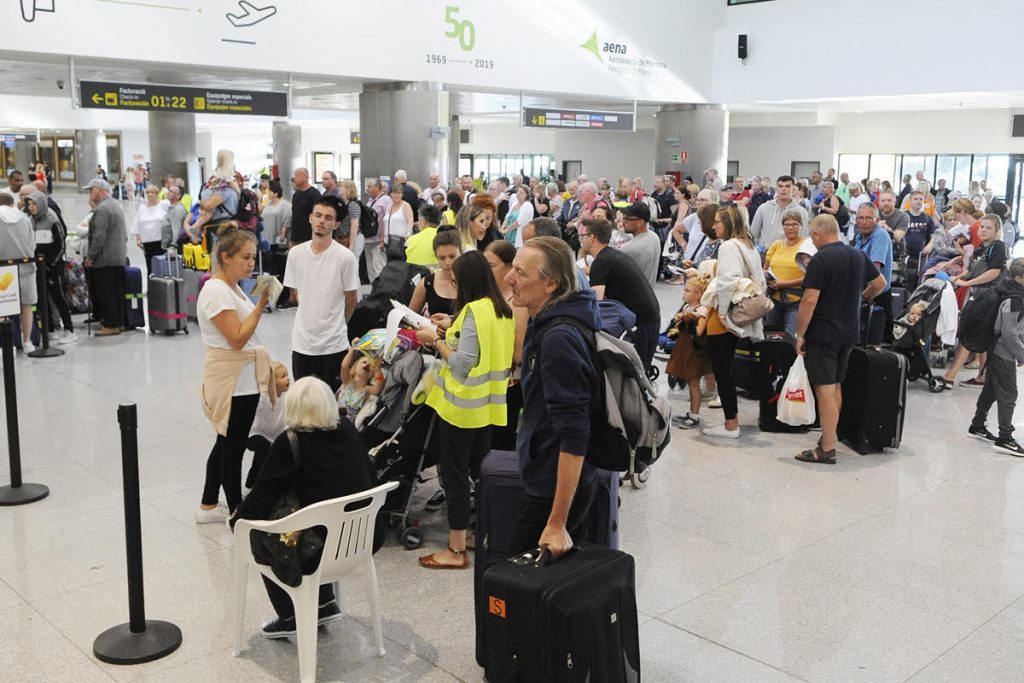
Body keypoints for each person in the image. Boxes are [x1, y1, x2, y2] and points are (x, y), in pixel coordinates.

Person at [232, 376, 375, 638]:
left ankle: (290, 615)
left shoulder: (291, 442)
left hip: (318, 551)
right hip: (361, 541)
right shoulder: (347, 429)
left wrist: (237, 519)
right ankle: (324, 602)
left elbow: (262, 495)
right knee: (320, 515)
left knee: (257, 535)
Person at [416, 251, 515, 569]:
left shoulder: (473, 311)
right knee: (478, 474)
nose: (454, 286)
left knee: (455, 476)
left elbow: (461, 364)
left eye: (457, 281)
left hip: (461, 408)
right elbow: (479, 347)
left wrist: (435, 341)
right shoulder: (500, 308)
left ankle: (455, 549)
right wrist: (451, 328)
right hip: (487, 407)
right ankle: (478, 533)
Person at [503, 236, 600, 558]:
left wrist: (557, 522)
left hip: (553, 486)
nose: (508, 278)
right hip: (547, 474)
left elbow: (575, 435)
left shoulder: (559, 338)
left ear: (551, 284)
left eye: (521, 272)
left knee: (520, 584)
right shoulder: (546, 321)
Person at [793, 215, 886, 464]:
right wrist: (861, 298)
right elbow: (880, 283)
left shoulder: (820, 260)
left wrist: (800, 334)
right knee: (835, 386)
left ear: (817, 235)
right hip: (849, 331)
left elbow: (809, 301)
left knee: (823, 389)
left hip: (823, 332)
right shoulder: (857, 255)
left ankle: (827, 447)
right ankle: (829, 437)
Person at [197, 226, 274, 521]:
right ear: (226, 257)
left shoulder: (232, 286)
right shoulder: (216, 290)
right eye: (245, 257)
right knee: (233, 445)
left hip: (243, 375)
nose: (251, 263)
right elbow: (237, 338)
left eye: (253, 257)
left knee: (226, 441)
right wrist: (261, 306)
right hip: (233, 379)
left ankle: (207, 504)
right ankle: (235, 508)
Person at [701, 206, 766, 439]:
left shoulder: (728, 246)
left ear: (727, 224)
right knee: (725, 368)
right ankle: (731, 421)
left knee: (722, 370)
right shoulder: (748, 245)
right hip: (740, 314)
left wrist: (721, 313)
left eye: (718, 222)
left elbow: (727, 282)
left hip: (726, 316)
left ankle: (731, 424)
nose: (713, 226)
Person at [283, 198, 360, 392]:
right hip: (303, 342)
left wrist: (338, 324)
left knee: (330, 402)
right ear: (310, 218)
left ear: (335, 224)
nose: (321, 221)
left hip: (334, 344)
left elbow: (351, 298)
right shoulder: (295, 254)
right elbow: (295, 294)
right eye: (317, 215)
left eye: (328, 218)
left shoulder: (345, 258)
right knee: (303, 399)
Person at [581, 218, 660, 373]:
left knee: (638, 376)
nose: (580, 240)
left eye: (582, 236)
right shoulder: (610, 256)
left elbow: (595, 304)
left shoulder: (601, 262)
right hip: (649, 317)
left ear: (592, 238)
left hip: (642, 323)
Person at [941, 214, 1010, 389]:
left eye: (988, 228)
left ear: (997, 231)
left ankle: (950, 376)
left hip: (988, 297)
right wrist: (958, 276)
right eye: (982, 227)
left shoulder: (998, 247)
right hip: (978, 295)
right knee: (984, 338)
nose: (984, 230)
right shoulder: (981, 247)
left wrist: (968, 283)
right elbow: (972, 269)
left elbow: (994, 272)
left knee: (968, 335)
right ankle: (982, 377)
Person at [967, 257, 1024, 455]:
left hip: (996, 349)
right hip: (1003, 352)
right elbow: (1008, 333)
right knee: (1009, 394)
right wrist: (1022, 355)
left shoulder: (1009, 290)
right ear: (1019, 278)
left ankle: (977, 425)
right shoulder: (1014, 299)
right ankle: (1005, 437)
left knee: (991, 389)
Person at [483, 239, 529, 452]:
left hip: (509, 384)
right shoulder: (489, 294)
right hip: (488, 381)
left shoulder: (516, 301)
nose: (486, 271)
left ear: (509, 267)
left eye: (491, 266)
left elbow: (517, 352)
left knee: (501, 443)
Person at [23, 189, 73, 343]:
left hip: (53, 267)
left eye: (34, 204)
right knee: (41, 298)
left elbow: (61, 245)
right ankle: (49, 329)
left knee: (58, 297)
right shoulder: (30, 220)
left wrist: (51, 264)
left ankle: (69, 330)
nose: (31, 207)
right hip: (37, 267)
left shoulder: (52, 219)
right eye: (29, 204)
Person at [666, 273, 712, 429]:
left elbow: (699, 331)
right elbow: (678, 329)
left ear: (698, 295)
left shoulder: (702, 310)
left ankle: (695, 414)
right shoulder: (686, 307)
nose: (683, 293)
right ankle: (691, 411)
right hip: (684, 347)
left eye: (687, 291)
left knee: (694, 382)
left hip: (695, 351)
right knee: (689, 380)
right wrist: (679, 320)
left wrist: (692, 318)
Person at [83, 178, 128, 337]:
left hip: (104, 259)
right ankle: (120, 322)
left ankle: (111, 324)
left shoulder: (102, 209)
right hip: (118, 257)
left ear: (100, 190)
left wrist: (90, 256)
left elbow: (99, 236)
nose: (89, 194)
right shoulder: (115, 206)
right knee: (117, 292)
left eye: (91, 190)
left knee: (106, 293)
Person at [0, 193, 38, 350]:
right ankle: (27, 341)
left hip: (3, 270)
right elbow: (32, 242)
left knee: (3, 308)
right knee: (27, 305)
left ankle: (6, 346)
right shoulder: (24, 218)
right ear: (11, 203)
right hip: (27, 266)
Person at [852, 203, 893, 345]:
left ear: (877, 219)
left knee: (870, 351)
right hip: (861, 300)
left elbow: (874, 273)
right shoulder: (858, 237)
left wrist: (861, 298)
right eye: (860, 218)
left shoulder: (880, 236)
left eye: (868, 218)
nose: (864, 222)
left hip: (876, 303)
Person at [764, 210, 808, 335]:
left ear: (801, 226)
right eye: (787, 224)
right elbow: (765, 268)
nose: (790, 228)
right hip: (774, 298)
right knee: (771, 335)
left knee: (791, 336)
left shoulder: (806, 245)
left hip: (796, 299)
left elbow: (811, 276)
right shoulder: (777, 245)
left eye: (794, 224)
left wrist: (785, 284)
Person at [408, 228, 461, 317]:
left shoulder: (471, 281)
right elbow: (411, 317)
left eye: (452, 256)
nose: (447, 263)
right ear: (436, 257)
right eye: (442, 258)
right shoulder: (426, 283)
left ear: (461, 253)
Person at [749, 176, 809, 251]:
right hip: (765, 254)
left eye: (787, 186)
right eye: (780, 186)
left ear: (793, 189)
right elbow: (753, 233)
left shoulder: (801, 212)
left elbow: (805, 236)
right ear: (776, 189)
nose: (783, 189)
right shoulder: (763, 208)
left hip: (788, 254)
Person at [337, 344, 385, 424]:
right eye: (364, 362)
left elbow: (379, 388)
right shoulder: (348, 382)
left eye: (371, 366)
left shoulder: (367, 390)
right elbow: (344, 366)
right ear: (354, 368)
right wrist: (353, 349)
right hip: (334, 417)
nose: (367, 364)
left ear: (372, 375)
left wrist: (378, 369)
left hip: (347, 424)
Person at [130, 185, 168, 276]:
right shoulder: (142, 207)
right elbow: (137, 222)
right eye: (148, 192)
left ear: (157, 194)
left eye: (152, 192)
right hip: (147, 241)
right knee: (150, 266)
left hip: (160, 241)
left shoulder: (163, 204)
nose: (150, 194)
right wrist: (138, 237)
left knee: (160, 266)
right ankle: (152, 287)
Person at [619, 202, 661, 286]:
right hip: (649, 294)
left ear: (639, 222)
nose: (623, 222)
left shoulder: (628, 248)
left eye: (627, 219)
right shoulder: (654, 237)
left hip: (632, 296)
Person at [364, 179, 392, 281]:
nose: (367, 189)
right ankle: (373, 290)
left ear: (377, 187)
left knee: (379, 266)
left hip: (379, 240)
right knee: (370, 267)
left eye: (369, 187)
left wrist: (383, 239)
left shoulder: (386, 200)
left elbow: (387, 219)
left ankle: (381, 292)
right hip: (368, 239)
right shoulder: (370, 200)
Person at [289, 168, 321, 246]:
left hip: (309, 237)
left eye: (297, 176)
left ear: (305, 177)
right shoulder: (296, 195)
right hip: (295, 236)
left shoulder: (314, 194)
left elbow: (317, 216)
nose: (294, 178)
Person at [382, 182, 413, 261]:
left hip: (402, 243)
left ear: (402, 194)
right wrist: (382, 240)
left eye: (399, 193)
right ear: (391, 194)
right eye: (394, 193)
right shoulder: (389, 206)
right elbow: (385, 224)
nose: (396, 195)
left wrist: (408, 232)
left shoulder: (405, 205)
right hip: (388, 242)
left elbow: (410, 220)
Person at [335, 179, 363, 259]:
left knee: (353, 262)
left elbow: (354, 225)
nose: (339, 188)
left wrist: (351, 245)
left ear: (348, 189)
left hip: (354, 238)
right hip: (344, 237)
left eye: (342, 187)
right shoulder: (344, 204)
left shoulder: (353, 205)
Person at [260, 178, 291, 247]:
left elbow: (288, 218)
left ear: (276, 193)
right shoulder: (267, 203)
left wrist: (283, 231)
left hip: (277, 239)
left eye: (269, 191)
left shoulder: (285, 204)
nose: (267, 193)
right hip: (265, 238)